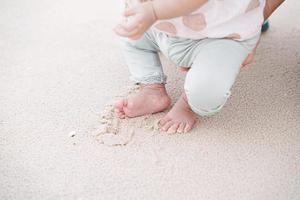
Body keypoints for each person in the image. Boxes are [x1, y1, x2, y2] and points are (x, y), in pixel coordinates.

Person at [114, 0, 285, 133]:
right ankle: (152, 89)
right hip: (162, 27)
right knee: (131, 38)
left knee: (206, 92)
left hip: (221, 34)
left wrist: (152, 11)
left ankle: (188, 103)